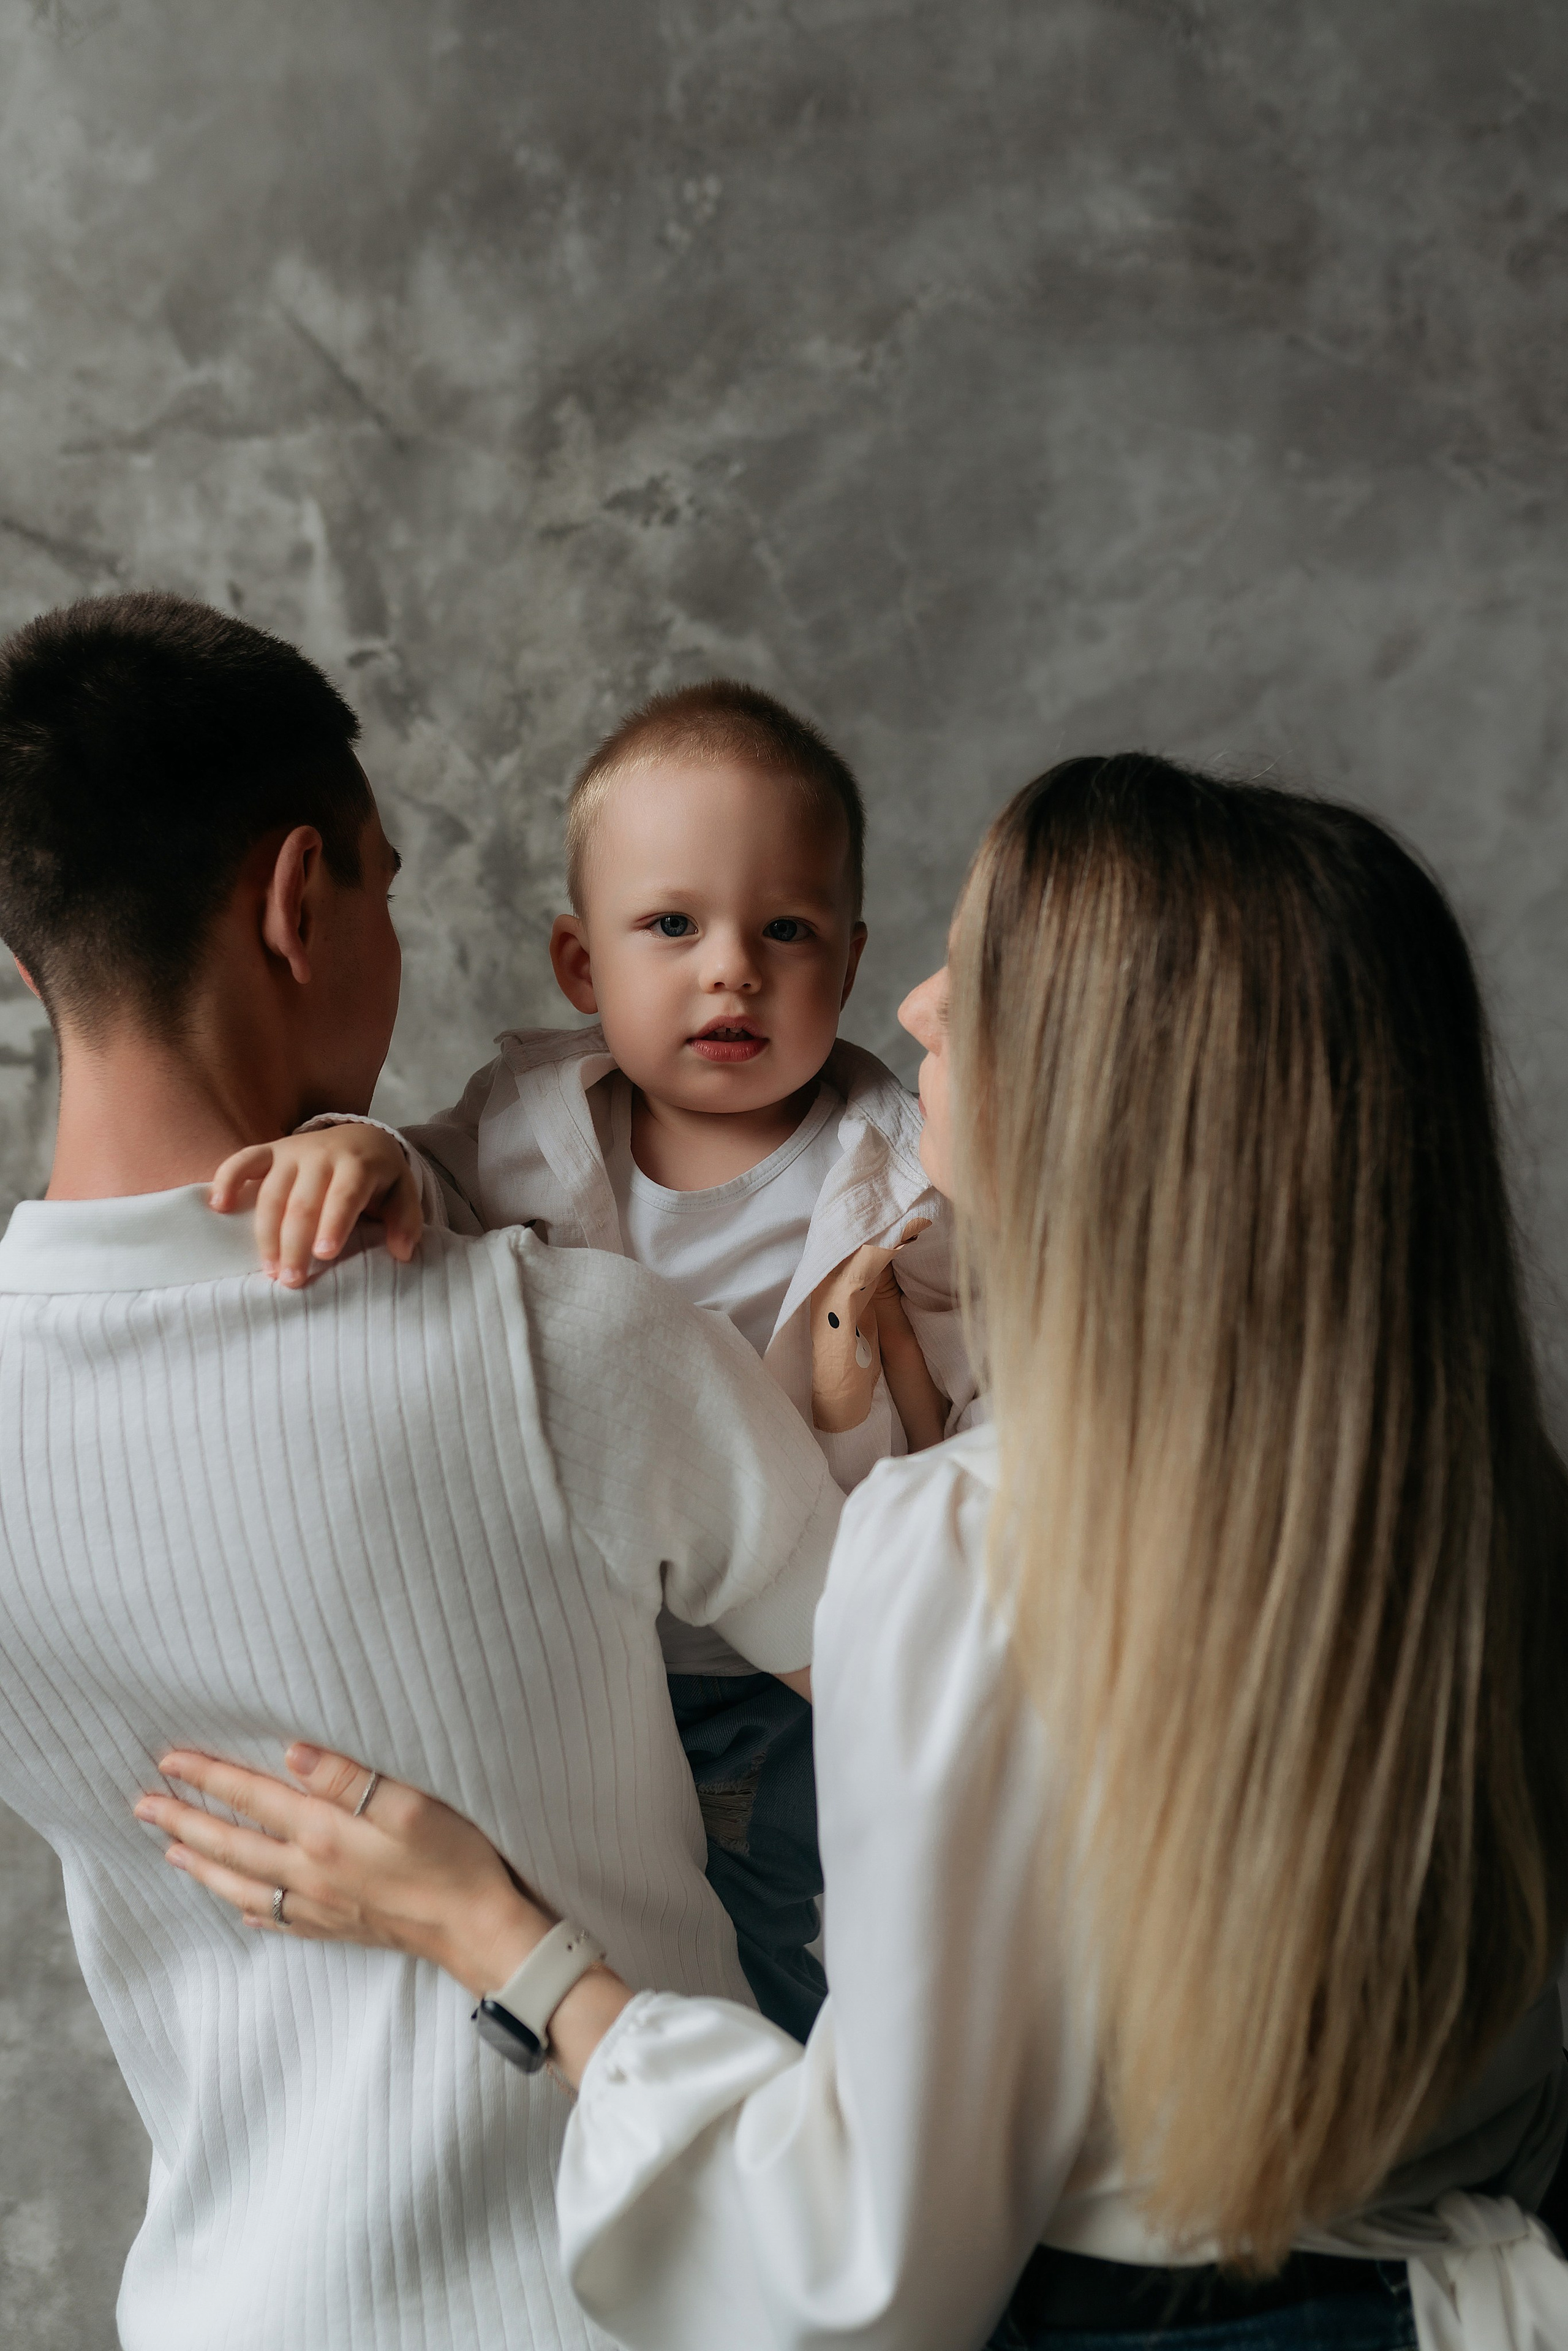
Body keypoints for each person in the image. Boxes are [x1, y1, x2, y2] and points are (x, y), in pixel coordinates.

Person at [145, 755, 1568, 2351]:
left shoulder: (970, 1545)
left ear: (1110, 1094)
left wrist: (501, 1939)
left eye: (987, 972)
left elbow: (860, 2266)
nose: (922, 999)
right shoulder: (1492, 1499)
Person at [0, 591, 842, 2351]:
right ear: (299, 896)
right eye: (381, 880)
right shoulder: (559, 1349)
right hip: (639, 2300)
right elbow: (973, 1709)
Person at [205, 681, 978, 2042]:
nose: (729, 966)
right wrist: (364, 1146)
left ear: (847, 963)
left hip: (785, 1669)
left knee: (783, 1943)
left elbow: (993, 1394)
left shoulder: (908, 1170)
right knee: (576, 1922)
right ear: (581, 967)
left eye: (782, 929)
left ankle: (788, 2143)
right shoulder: (527, 1126)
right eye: (671, 926)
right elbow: (422, 1197)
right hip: (575, 1652)